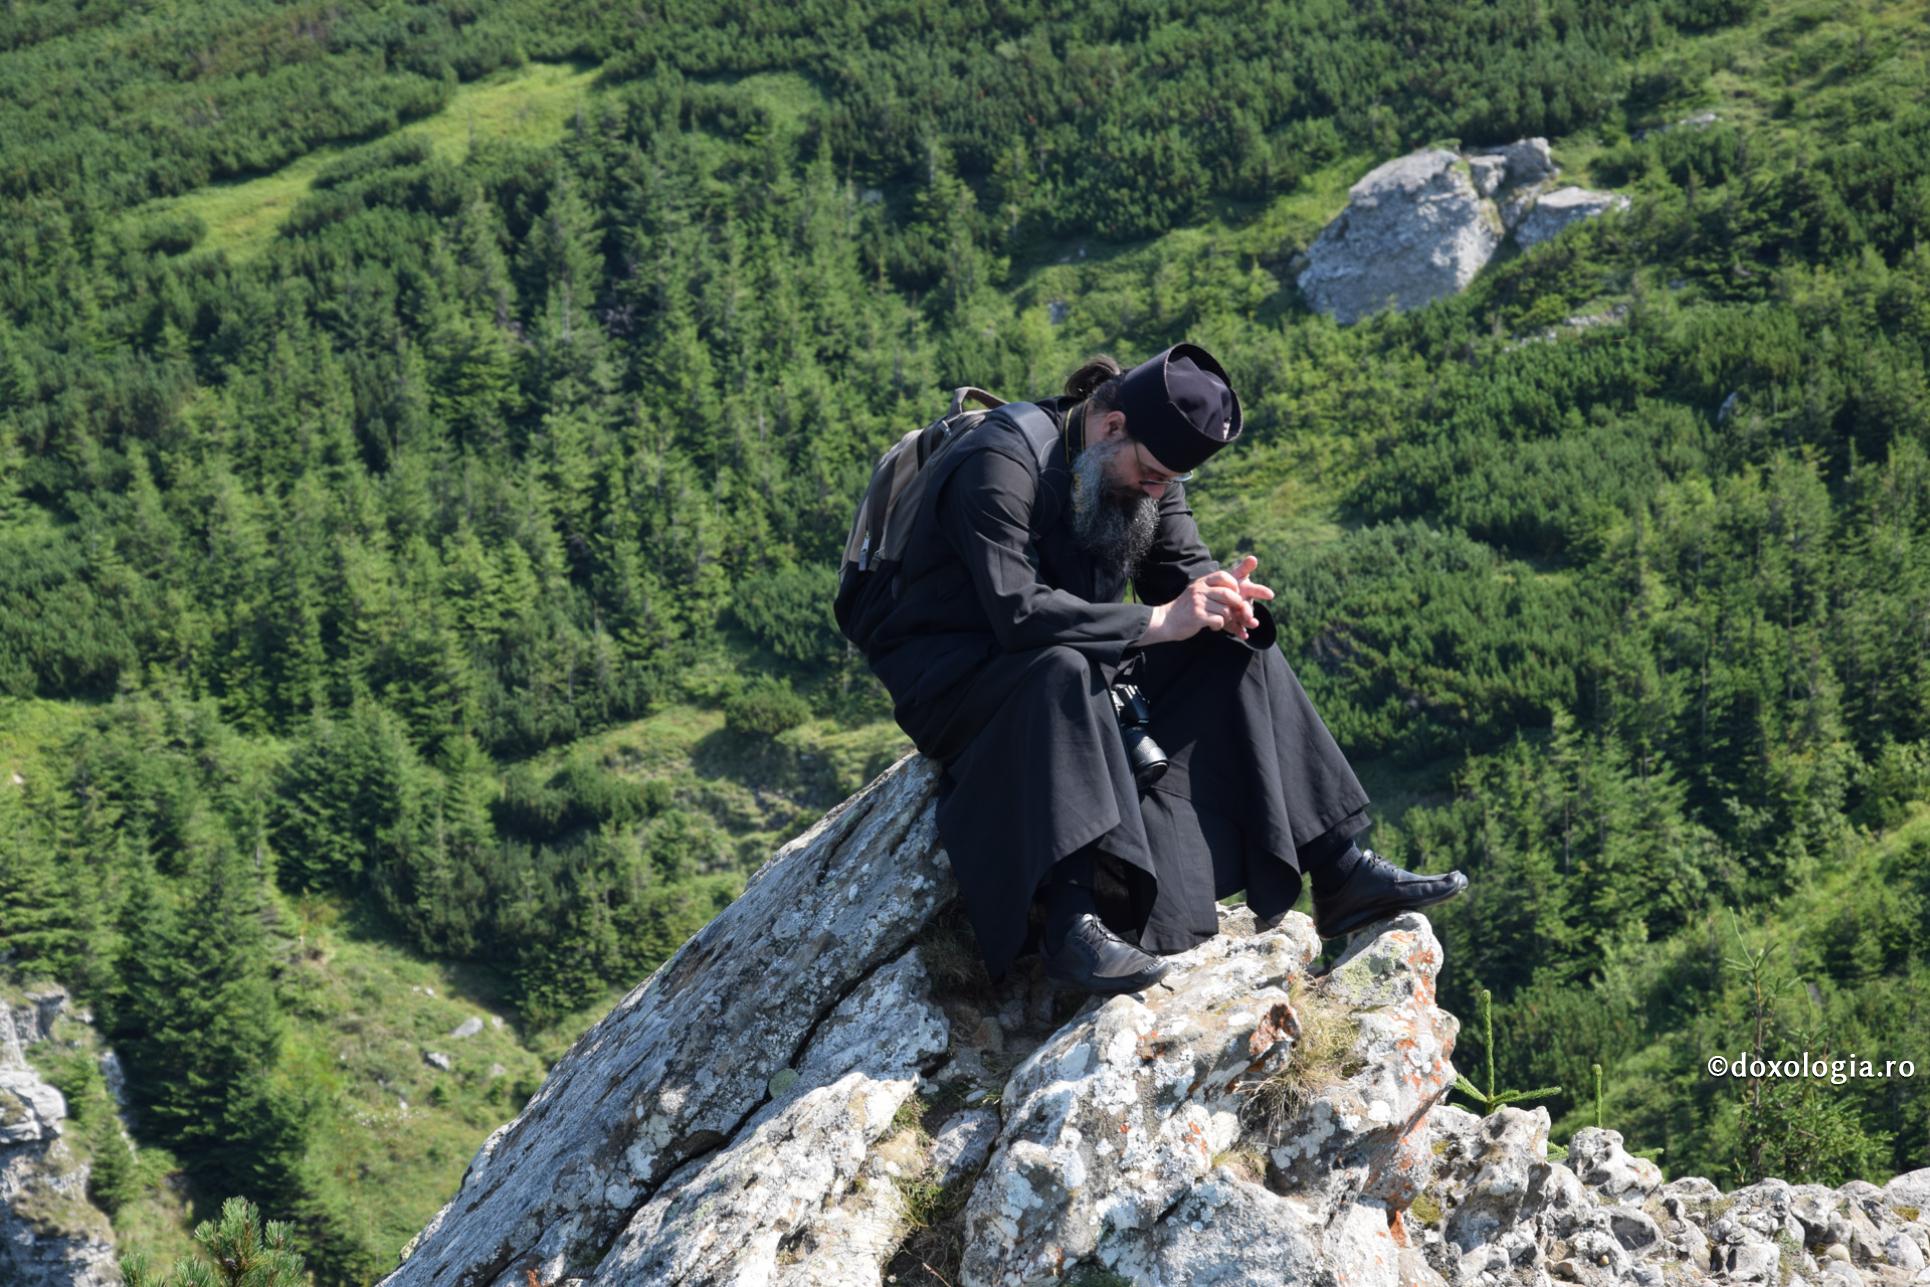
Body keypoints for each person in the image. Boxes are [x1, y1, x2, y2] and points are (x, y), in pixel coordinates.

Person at [861, 344, 1467, 994]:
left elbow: (1182, 569)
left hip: (1061, 657)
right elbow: (1016, 611)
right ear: (1111, 424)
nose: (1157, 489)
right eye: (1150, 474)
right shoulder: (998, 462)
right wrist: (1157, 622)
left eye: (1167, 481)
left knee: (1229, 647)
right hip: (951, 676)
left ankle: (1339, 867)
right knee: (1063, 667)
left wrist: (1224, 601)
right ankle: (1073, 925)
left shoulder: (1149, 466)